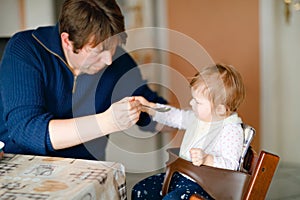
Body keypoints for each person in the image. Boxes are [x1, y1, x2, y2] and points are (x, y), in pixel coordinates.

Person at [0, 0, 167, 160]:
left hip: (86, 170)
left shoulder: (118, 61)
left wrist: (186, 117)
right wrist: (107, 122)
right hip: (22, 164)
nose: (109, 60)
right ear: (67, 41)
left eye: (113, 47)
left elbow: (154, 114)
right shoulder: (26, 49)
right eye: (98, 52)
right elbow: (27, 131)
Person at [132, 63, 246, 200]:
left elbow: (231, 165)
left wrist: (207, 158)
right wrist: (150, 107)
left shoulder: (230, 129)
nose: (191, 103)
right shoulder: (197, 118)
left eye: (198, 102)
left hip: (206, 187)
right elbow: (176, 116)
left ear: (220, 109)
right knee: (140, 190)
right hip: (182, 176)